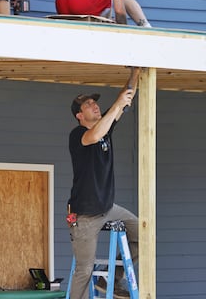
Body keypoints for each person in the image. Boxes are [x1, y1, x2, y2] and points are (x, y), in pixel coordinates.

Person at [67, 67, 140, 299]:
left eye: (95, 103)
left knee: (143, 234)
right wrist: (117, 105)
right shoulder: (77, 135)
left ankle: (108, 277)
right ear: (79, 115)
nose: (94, 105)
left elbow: (128, 94)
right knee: (83, 270)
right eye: (88, 105)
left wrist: (136, 71)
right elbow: (95, 135)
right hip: (85, 216)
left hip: (108, 208)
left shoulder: (105, 129)